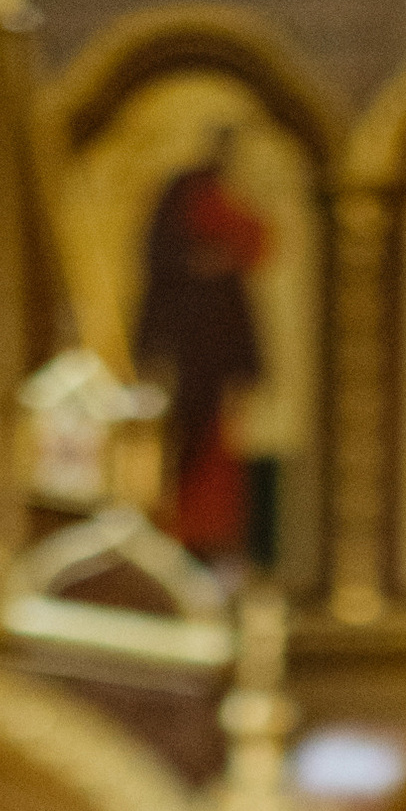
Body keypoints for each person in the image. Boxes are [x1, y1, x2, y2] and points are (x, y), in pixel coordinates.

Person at [134, 123, 271, 563]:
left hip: (217, 360)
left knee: (218, 454)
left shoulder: (218, 200)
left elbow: (258, 241)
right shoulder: (187, 195)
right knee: (183, 450)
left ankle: (213, 540)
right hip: (189, 356)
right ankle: (180, 540)